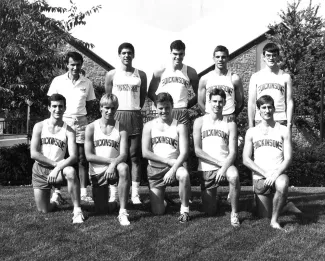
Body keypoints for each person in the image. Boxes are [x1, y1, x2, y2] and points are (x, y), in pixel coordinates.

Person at [47, 51, 96, 202]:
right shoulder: (57, 81)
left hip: (80, 121)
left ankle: (83, 193)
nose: (75, 68)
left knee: (81, 158)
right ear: (67, 65)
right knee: (59, 156)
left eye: (78, 65)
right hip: (63, 121)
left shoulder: (87, 83)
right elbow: (52, 102)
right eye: (72, 64)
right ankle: (57, 193)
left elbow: (89, 103)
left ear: (82, 65)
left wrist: (80, 115)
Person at [30, 94, 85, 224]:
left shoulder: (69, 130)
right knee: (43, 210)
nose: (57, 109)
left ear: (65, 108)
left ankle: (77, 210)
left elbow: (73, 156)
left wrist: (58, 168)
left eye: (61, 106)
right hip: (40, 170)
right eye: (54, 106)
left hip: (59, 172)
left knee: (71, 171)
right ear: (49, 108)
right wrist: (55, 164)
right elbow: (33, 153)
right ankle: (55, 200)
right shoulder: (39, 126)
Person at [105, 43, 147, 205]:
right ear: (119, 55)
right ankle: (113, 192)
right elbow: (108, 98)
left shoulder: (141, 75)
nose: (126, 56)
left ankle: (135, 193)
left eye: (129, 53)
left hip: (134, 115)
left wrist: (134, 109)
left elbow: (142, 97)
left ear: (133, 55)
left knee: (135, 155)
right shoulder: (111, 75)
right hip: (117, 115)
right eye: (123, 53)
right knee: (114, 155)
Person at [243, 95, 293, 230]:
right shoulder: (251, 132)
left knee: (282, 184)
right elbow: (246, 159)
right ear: (259, 110)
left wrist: (275, 173)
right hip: (261, 177)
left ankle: (275, 221)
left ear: (274, 109)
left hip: (277, 174)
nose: (267, 110)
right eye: (263, 107)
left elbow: (288, 158)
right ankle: (285, 205)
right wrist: (266, 173)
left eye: (269, 107)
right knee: (264, 215)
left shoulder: (283, 130)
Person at [193, 88, 240, 227]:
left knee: (234, 176)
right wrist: (218, 163)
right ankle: (216, 199)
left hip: (226, 166)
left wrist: (223, 167)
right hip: (207, 167)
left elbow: (233, 152)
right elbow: (197, 150)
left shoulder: (230, 124)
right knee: (210, 211)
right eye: (214, 101)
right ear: (209, 102)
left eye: (220, 102)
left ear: (225, 102)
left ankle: (234, 214)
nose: (217, 104)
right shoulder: (199, 122)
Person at [142, 92, 191, 222]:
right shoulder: (148, 126)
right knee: (158, 212)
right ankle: (162, 200)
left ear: (172, 107)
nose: (164, 111)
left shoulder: (180, 126)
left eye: (167, 107)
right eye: (161, 108)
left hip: (174, 167)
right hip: (155, 170)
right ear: (155, 108)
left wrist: (172, 169)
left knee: (184, 174)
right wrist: (167, 161)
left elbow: (184, 153)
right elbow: (145, 153)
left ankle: (185, 210)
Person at [84, 94, 131, 226]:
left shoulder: (121, 128)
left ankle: (123, 211)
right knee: (102, 210)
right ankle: (114, 201)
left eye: (113, 108)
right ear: (101, 108)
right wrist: (111, 162)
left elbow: (124, 155)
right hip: (97, 172)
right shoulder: (91, 128)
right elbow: (89, 156)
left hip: (115, 169)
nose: (110, 111)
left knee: (124, 167)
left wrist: (113, 165)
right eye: (107, 108)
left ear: (117, 109)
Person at [148, 40, 199, 126]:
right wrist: (160, 104)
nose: (178, 57)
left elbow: (199, 94)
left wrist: (187, 105)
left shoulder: (191, 72)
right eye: (175, 54)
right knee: (165, 138)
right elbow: (150, 92)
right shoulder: (160, 71)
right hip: (165, 111)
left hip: (182, 111)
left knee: (183, 138)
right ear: (170, 53)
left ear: (184, 54)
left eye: (181, 54)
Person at [248, 43, 293, 129]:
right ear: (263, 57)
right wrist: (251, 124)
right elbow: (251, 102)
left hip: (280, 119)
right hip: (260, 120)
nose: (271, 58)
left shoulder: (285, 77)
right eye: (268, 55)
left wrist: (289, 123)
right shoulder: (255, 77)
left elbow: (289, 102)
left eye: (274, 55)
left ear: (278, 57)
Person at [198, 45, 244, 122]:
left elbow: (240, 102)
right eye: (217, 57)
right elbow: (200, 102)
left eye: (223, 57)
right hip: (210, 118)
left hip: (228, 117)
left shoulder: (234, 78)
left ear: (227, 58)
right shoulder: (205, 78)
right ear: (213, 58)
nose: (220, 59)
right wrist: (207, 115)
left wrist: (234, 115)